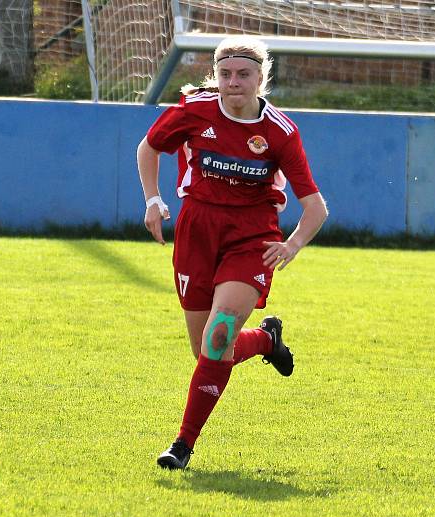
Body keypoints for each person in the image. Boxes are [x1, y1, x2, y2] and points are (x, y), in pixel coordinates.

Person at [136, 35, 328, 470]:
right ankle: (265, 339)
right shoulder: (194, 111)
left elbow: (314, 207)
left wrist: (292, 244)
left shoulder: (280, 132)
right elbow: (148, 148)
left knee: (218, 335)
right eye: (225, 74)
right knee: (207, 349)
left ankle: (182, 445)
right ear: (215, 76)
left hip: (252, 237)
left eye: (243, 74)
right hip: (197, 230)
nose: (233, 82)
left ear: (261, 78)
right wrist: (152, 200)